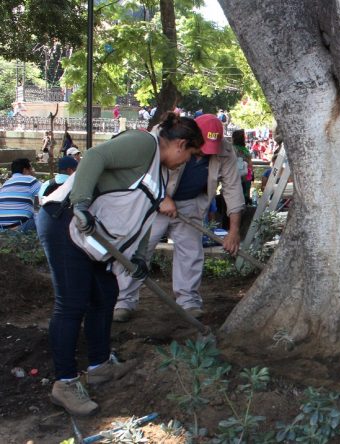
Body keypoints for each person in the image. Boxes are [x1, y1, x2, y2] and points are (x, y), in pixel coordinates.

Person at [36, 113, 204, 416]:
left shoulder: (162, 174)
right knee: (72, 304)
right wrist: (82, 203)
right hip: (66, 223)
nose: (187, 161)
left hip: (94, 240)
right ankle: (64, 383)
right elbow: (96, 157)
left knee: (105, 296)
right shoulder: (142, 144)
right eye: (190, 154)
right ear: (180, 144)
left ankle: (99, 366)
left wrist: (138, 256)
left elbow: (144, 218)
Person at [114, 114, 245, 321]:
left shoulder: (225, 151)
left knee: (191, 252)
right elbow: (145, 169)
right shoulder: (162, 136)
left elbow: (233, 189)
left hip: (191, 203)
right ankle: (124, 300)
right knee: (139, 249)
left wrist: (234, 231)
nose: (204, 153)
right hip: (154, 200)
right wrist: (162, 197)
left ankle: (188, 301)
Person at [0, 158, 42, 232]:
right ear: (25, 170)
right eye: (31, 168)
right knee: (45, 217)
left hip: (1, 228)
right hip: (19, 226)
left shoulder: (6, 183)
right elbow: (46, 193)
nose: (33, 171)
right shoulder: (30, 180)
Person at [231, 129, 254, 204]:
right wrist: (251, 174)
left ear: (234, 138)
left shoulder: (231, 148)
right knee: (245, 192)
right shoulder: (245, 150)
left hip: (233, 174)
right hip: (246, 173)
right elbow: (250, 164)